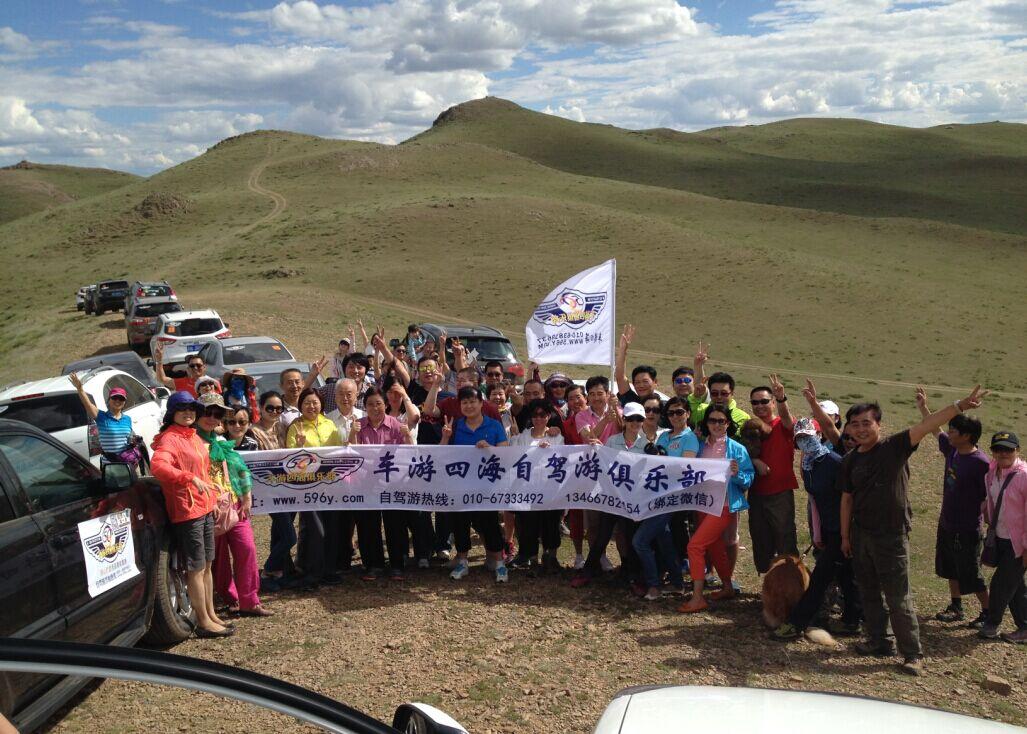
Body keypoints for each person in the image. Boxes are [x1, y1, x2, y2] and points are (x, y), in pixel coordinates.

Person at [839, 385, 987, 676]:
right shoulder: (850, 460)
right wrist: (845, 536)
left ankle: (912, 654)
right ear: (848, 429)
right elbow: (847, 499)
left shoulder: (894, 447)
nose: (860, 429)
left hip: (891, 536)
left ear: (878, 424)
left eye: (866, 423)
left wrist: (960, 406)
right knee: (869, 592)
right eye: (854, 424)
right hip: (861, 534)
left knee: (898, 597)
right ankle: (879, 640)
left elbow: (928, 425)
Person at [771, 417, 861, 640]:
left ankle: (796, 623)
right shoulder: (808, 464)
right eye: (800, 438)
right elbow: (814, 501)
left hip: (844, 529)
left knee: (820, 577)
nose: (805, 441)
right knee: (847, 575)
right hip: (829, 528)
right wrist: (817, 533)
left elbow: (850, 498)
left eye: (809, 436)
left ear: (819, 436)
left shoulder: (835, 462)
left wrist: (846, 535)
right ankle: (854, 620)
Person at [150, 392, 230, 637]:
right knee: (196, 567)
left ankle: (211, 614)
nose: (188, 412)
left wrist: (212, 498)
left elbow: (202, 471)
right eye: (182, 408)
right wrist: (188, 478)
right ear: (172, 412)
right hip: (187, 510)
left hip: (203, 506)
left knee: (207, 564)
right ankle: (203, 621)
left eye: (192, 408)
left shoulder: (192, 435)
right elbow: (158, 466)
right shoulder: (170, 438)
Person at [916, 387, 990, 626]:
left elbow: (987, 496)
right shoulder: (952, 450)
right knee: (949, 567)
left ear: (967, 436)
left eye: (954, 430)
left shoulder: (981, 464)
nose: (949, 432)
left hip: (967, 528)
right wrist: (923, 408)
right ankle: (956, 606)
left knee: (972, 573)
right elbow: (933, 428)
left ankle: (988, 613)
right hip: (947, 522)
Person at [195, 394, 271, 619]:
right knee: (218, 558)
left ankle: (250, 600)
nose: (212, 417)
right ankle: (231, 598)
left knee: (247, 549)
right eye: (207, 412)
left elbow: (240, 468)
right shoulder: (191, 442)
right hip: (208, 508)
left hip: (233, 504)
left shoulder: (220, 441)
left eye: (217, 413)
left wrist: (246, 497)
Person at [678, 405, 754, 613]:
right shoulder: (700, 446)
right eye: (712, 420)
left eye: (721, 421)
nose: (717, 425)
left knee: (695, 546)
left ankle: (697, 598)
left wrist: (737, 474)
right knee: (714, 546)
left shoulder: (737, 449)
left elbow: (748, 480)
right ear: (707, 423)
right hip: (703, 503)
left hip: (724, 505)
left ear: (728, 423)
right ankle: (727, 587)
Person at [570, 402, 645, 590]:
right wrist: (600, 449)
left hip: (633, 500)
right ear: (624, 420)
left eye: (639, 419)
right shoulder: (613, 441)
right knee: (602, 535)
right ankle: (588, 571)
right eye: (631, 419)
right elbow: (606, 463)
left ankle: (632, 575)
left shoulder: (646, 444)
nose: (635, 422)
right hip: (612, 497)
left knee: (630, 536)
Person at [439, 386, 510, 582]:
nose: (469, 406)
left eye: (472, 401)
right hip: (460, 486)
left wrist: (490, 448)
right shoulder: (455, 426)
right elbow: (441, 455)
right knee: (460, 524)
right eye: (464, 402)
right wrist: (445, 437)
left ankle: (500, 564)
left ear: (481, 403)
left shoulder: (494, 425)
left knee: (490, 524)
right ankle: (462, 562)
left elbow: (506, 453)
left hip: (487, 486)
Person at [353, 386, 418, 579]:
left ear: (386, 404)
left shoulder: (397, 425)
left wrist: (407, 435)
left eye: (379, 403)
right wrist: (352, 434)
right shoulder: (358, 426)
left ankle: (397, 564)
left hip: (392, 484)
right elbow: (353, 453)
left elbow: (411, 454)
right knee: (368, 525)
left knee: (395, 524)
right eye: (370, 404)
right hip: (366, 484)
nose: (375, 408)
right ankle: (373, 565)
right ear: (365, 407)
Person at [285, 387, 345, 586]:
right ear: (300, 405)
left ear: (321, 404)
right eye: (307, 403)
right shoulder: (296, 427)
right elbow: (290, 459)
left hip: (330, 485)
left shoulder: (330, 424)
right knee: (315, 530)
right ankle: (312, 571)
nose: (311, 406)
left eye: (315, 402)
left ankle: (329, 570)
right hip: (307, 487)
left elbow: (339, 453)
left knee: (332, 528)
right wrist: (299, 445)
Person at [746, 376, 799, 575]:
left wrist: (782, 398)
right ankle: (770, 583)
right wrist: (754, 461)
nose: (759, 405)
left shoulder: (782, 425)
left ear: (773, 403)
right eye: (755, 402)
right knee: (761, 540)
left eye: (764, 401)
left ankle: (792, 582)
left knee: (785, 537)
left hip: (780, 492)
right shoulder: (750, 428)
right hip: (756, 493)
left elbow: (787, 419)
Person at [978, 432, 1027, 643]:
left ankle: (991, 624)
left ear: (1018, 450)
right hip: (1000, 537)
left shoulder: (1024, 476)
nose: (1003, 453)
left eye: (1008, 449)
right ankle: (1025, 627)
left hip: (1019, 543)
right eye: (998, 449)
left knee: (1000, 584)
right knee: (1015, 586)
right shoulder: (991, 473)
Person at [510, 399, 564, 572]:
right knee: (528, 525)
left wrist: (548, 450)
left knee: (551, 524)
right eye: (535, 415)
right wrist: (514, 437)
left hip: (549, 490)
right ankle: (530, 558)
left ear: (549, 416)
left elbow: (561, 460)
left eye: (543, 415)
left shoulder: (557, 437)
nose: (539, 418)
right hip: (527, 490)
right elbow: (514, 458)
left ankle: (551, 557)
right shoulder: (523, 436)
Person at [656, 397, 701, 576]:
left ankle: (681, 564)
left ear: (688, 414)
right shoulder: (663, 436)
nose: (675, 416)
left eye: (679, 412)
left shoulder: (690, 438)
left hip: (679, 492)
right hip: (660, 490)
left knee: (677, 528)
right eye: (671, 413)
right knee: (663, 531)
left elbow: (686, 464)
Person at [68, 373, 139, 465]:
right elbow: (87, 404)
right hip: (110, 465)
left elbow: (127, 440)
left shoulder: (127, 419)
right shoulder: (101, 416)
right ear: (109, 400)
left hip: (127, 464)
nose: (118, 400)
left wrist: (134, 442)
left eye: (121, 398)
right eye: (114, 397)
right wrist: (80, 389)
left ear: (124, 402)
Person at [614, 325, 660, 407]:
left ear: (655, 382)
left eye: (645, 381)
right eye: (637, 382)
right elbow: (620, 377)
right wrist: (623, 349)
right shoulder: (631, 401)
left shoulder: (664, 406)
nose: (641, 385)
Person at [154, 344, 219, 397]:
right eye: (192, 366)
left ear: (204, 367)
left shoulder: (213, 383)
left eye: (198, 365)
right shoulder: (182, 382)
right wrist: (159, 360)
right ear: (188, 369)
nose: (195, 368)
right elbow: (161, 379)